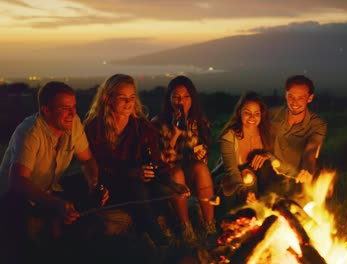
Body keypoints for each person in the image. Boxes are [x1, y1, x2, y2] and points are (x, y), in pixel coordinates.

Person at [0, 81, 107, 263]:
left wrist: (94, 183)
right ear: (46, 110)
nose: (72, 113)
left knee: (89, 190)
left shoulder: (73, 124)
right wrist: (55, 203)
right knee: (23, 234)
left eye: (73, 106)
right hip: (17, 194)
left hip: (49, 187)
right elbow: (18, 181)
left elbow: (87, 160)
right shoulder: (30, 132)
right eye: (65, 108)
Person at [83, 73, 180, 247]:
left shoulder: (141, 126)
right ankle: (159, 239)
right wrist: (133, 172)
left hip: (139, 180)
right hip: (108, 183)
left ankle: (178, 233)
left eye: (132, 98)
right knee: (137, 188)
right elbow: (100, 163)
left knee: (160, 189)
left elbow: (155, 160)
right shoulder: (95, 127)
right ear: (108, 98)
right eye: (123, 98)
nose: (129, 103)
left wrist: (172, 183)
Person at [151, 75, 215, 243]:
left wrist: (200, 155)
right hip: (167, 175)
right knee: (177, 171)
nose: (182, 102)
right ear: (169, 99)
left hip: (191, 172)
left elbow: (204, 152)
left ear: (192, 99)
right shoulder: (157, 124)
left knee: (201, 168)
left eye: (186, 97)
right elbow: (161, 160)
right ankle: (185, 227)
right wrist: (176, 133)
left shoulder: (199, 122)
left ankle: (209, 225)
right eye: (177, 97)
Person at [217, 92, 279, 211]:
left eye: (256, 114)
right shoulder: (229, 137)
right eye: (247, 113)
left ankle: (269, 208)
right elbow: (232, 171)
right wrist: (244, 191)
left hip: (257, 183)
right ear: (239, 112)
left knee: (265, 168)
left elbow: (277, 164)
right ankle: (236, 215)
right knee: (247, 175)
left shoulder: (266, 134)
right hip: (229, 181)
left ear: (262, 115)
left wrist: (268, 156)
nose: (252, 117)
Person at [269, 75, 327, 189]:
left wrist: (307, 169)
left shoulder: (318, 124)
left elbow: (311, 149)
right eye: (291, 96)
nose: (294, 102)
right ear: (286, 95)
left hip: (297, 175)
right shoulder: (271, 115)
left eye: (301, 98)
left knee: (318, 174)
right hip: (270, 170)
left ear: (310, 98)